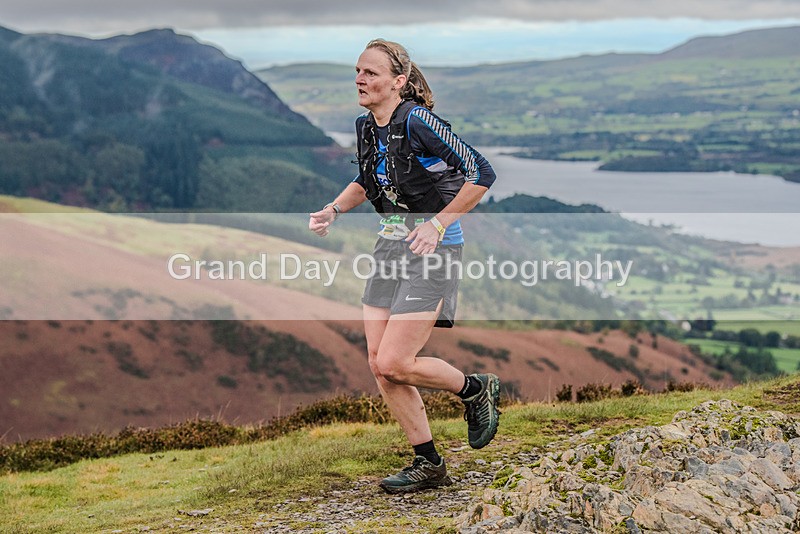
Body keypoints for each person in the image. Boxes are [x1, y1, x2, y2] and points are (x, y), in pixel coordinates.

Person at [308, 38, 500, 494]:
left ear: (399, 81)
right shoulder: (365, 125)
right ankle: (428, 462)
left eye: (371, 73)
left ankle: (473, 388)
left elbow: (482, 173)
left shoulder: (418, 120)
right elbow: (367, 178)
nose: (360, 79)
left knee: (397, 359)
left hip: (433, 249)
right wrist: (334, 209)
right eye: (357, 71)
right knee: (381, 365)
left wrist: (436, 224)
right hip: (390, 245)